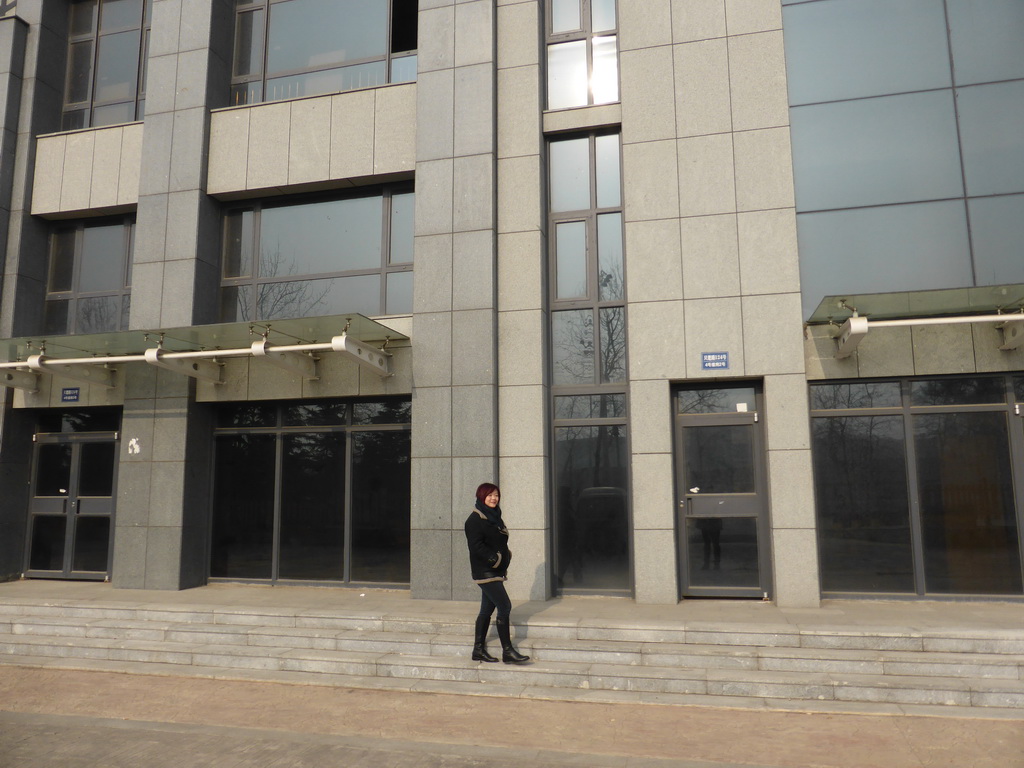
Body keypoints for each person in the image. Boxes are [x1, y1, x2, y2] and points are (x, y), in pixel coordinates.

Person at [464, 482, 530, 664]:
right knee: (505, 605)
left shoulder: (494, 516)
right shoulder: (475, 519)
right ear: (481, 497)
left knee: (487, 609)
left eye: (496, 495)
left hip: (495, 571)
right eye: (489, 495)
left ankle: (478, 650)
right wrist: (496, 559)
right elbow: (476, 547)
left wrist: (505, 556)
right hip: (486, 571)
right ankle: (507, 651)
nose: (493, 498)